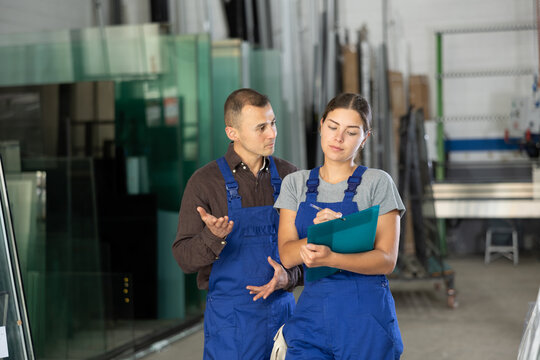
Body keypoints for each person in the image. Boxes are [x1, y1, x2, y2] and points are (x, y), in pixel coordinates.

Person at [172, 88, 302, 360]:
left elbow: (310, 251)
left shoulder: (292, 178)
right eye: (261, 127)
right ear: (233, 133)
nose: (272, 133)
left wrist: (288, 277)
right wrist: (212, 237)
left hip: (284, 320)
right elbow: (184, 258)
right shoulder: (205, 183)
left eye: (273, 123)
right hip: (231, 327)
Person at [275, 93, 405, 359]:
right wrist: (320, 235)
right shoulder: (295, 184)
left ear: (365, 138)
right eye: (333, 127)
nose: (338, 138)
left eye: (351, 132)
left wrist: (332, 253)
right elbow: (287, 255)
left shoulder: (377, 183)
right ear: (321, 125)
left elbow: (387, 259)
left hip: (366, 321)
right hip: (311, 320)